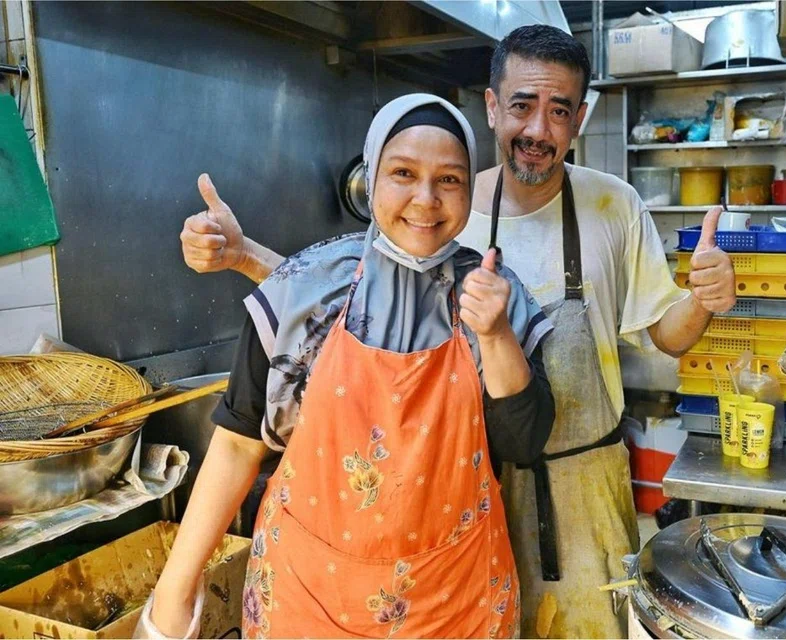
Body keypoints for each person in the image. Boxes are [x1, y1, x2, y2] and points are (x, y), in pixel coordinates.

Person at [179, 25, 736, 640]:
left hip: (576, 479)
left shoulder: (613, 205)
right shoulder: (450, 198)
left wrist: (702, 302)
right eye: (522, 106)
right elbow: (350, 291)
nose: (537, 130)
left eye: (559, 112)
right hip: (468, 482)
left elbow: (667, 334)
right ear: (493, 107)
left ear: (579, 120)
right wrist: (244, 256)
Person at [142, 94, 556, 639]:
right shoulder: (304, 288)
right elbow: (240, 441)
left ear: (469, 191)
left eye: (450, 180)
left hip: (454, 602)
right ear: (372, 179)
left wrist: (497, 336)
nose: (425, 199)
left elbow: (522, 446)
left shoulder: (496, 296)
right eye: (403, 173)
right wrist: (176, 588)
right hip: (308, 598)